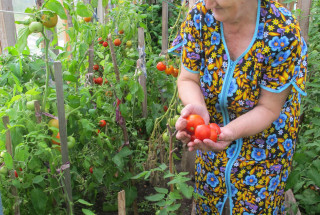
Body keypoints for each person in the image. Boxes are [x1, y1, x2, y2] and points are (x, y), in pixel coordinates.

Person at [168, 0, 308, 214]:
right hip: (212, 137)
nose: (207, 3)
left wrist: (230, 132)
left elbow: (269, 108)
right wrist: (197, 108)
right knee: (210, 204)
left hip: (265, 146)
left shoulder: (282, 31)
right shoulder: (200, 17)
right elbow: (187, 79)